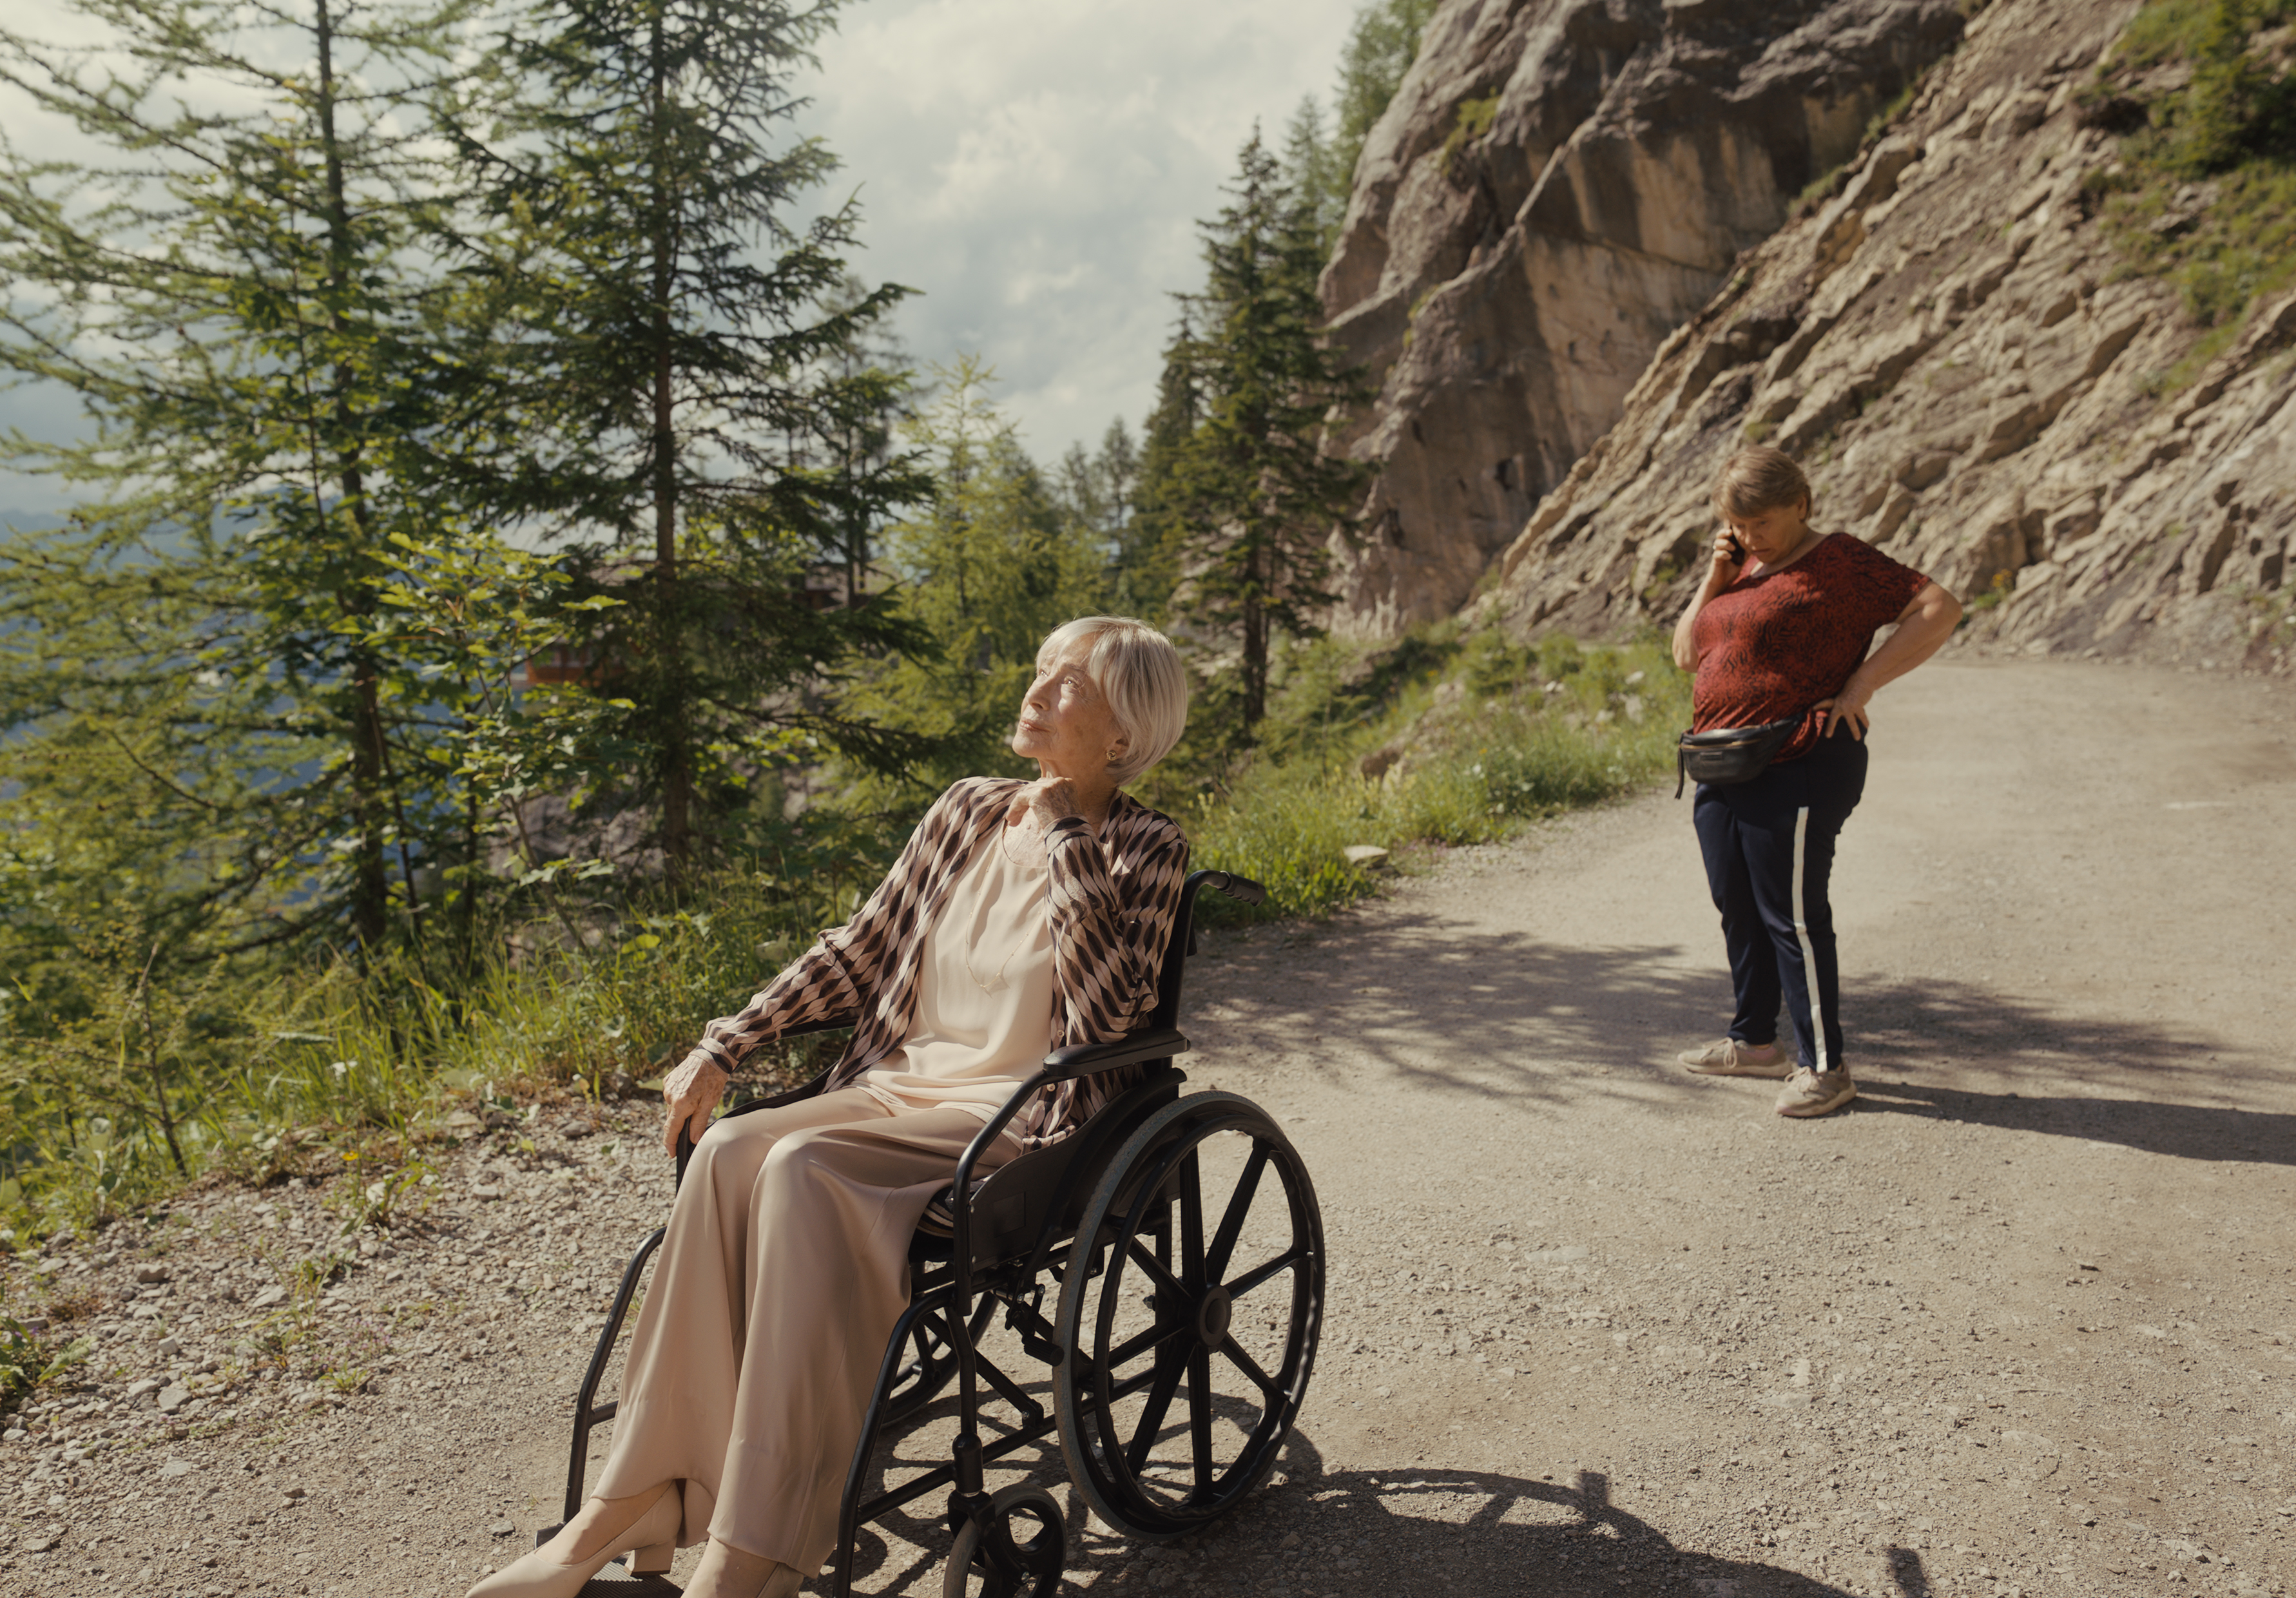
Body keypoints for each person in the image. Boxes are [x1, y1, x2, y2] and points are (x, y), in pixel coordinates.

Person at [467, 617, 1191, 1598]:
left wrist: (1067, 831)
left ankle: (759, 1546)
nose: (1034, 690)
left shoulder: (1147, 847)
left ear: (1123, 733)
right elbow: (860, 949)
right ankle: (638, 1496)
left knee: (801, 1169)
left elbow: (1111, 1017)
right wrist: (726, 1042)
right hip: (893, 1085)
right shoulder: (967, 810)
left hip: (1016, 1115)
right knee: (729, 1151)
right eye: (1039, 669)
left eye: (1066, 683)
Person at [1669, 447, 1960, 1118]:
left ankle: (1825, 1067)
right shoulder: (1739, 568)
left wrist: (1861, 684)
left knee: (1793, 918)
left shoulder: (1840, 560)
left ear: (1800, 504)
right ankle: (1754, 1043)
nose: (1750, 536)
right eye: (1737, 525)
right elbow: (1686, 653)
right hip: (1721, 762)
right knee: (1738, 906)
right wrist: (1717, 574)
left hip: (1799, 757)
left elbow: (1938, 607)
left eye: (1762, 522)